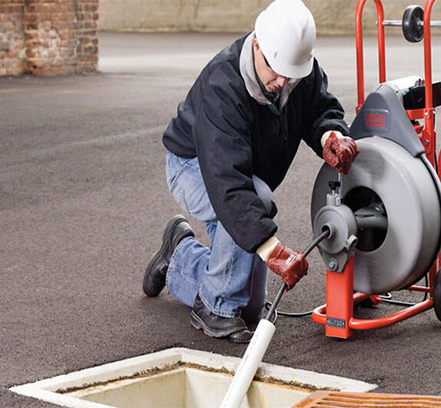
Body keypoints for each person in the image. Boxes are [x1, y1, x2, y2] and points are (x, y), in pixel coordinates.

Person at [143, 0, 359, 343]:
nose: (283, 81)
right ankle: (214, 308)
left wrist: (330, 135)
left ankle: (179, 255)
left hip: (244, 180)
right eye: (276, 70)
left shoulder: (294, 68)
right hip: (193, 167)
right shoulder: (222, 87)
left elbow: (320, 108)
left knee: (249, 306)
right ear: (257, 45)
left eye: (291, 73)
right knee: (251, 215)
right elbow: (229, 185)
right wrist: (272, 250)